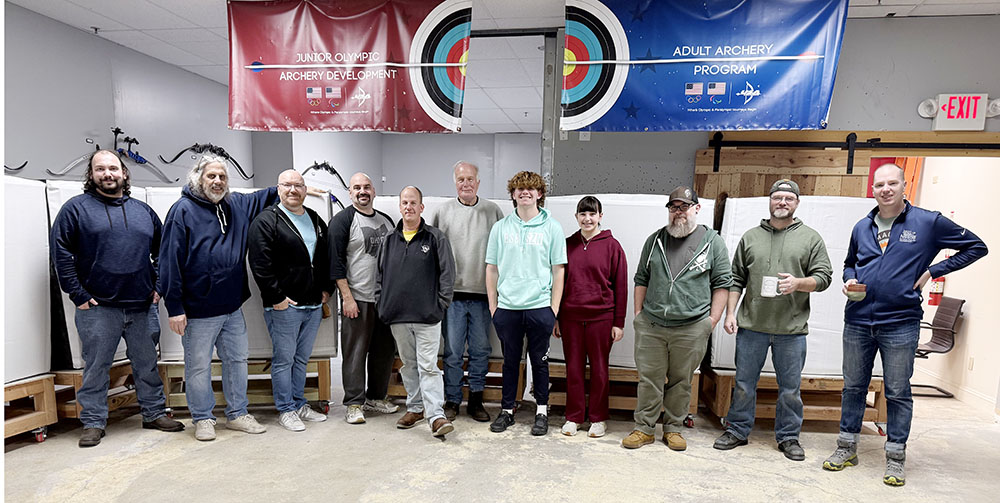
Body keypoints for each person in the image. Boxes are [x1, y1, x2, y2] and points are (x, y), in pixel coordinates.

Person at [824, 164, 987, 486]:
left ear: (903, 185)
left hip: (901, 322)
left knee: (897, 391)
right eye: (879, 185)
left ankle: (895, 457)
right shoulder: (862, 226)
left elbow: (976, 247)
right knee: (853, 387)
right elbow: (849, 264)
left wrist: (932, 272)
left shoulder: (928, 222)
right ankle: (846, 447)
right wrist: (849, 280)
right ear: (873, 189)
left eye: (892, 183)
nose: (885, 189)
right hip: (858, 319)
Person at [51, 149, 185, 448]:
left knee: (147, 363)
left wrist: (159, 286)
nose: (107, 174)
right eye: (100, 169)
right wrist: (78, 294)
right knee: (96, 366)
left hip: (142, 305)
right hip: (98, 307)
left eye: (113, 168)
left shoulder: (143, 211)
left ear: (124, 173)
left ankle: (153, 413)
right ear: (91, 175)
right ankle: (93, 422)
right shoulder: (75, 210)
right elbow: (61, 254)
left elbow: (163, 253)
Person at [160, 155, 278, 441]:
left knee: (237, 361)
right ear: (198, 179)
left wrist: (292, 186)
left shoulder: (235, 204)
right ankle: (203, 418)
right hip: (198, 310)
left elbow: (266, 195)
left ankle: (237, 414)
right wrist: (174, 307)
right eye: (211, 176)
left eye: (222, 177)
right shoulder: (182, 211)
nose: (217, 181)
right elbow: (169, 261)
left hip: (232, 307)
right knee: (198, 366)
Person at [712, 180, 832, 460]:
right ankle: (737, 430)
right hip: (751, 326)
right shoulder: (751, 237)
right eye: (777, 197)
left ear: (797, 203)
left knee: (790, 389)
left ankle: (789, 437)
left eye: (788, 198)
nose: (782, 202)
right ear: (770, 201)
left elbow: (824, 277)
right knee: (744, 384)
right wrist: (730, 313)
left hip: (791, 329)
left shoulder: (810, 238)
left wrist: (798, 283)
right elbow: (735, 279)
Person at [623, 186, 732, 451]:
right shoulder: (655, 240)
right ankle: (644, 428)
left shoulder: (712, 242)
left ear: (696, 208)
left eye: (684, 206)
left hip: (692, 326)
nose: (678, 212)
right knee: (649, 380)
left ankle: (673, 428)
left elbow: (722, 283)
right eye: (674, 207)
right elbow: (641, 278)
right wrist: (638, 315)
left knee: (682, 381)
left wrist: (712, 321)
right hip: (652, 325)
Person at [248, 169, 332, 431]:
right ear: (278, 189)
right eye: (287, 185)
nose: (293, 190)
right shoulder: (266, 221)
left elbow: (326, 257)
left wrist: (326, 289)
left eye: (298, 185)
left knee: (300, 359)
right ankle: (286, 409)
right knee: (284, 360)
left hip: (313, 305)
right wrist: (277, 298)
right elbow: (260, 264)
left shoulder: (315, 219)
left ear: (305, 190)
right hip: (284, 307)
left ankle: (299, 404)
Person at [486, 171, 567, 436]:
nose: (525, 192)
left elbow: (558, 270)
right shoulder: (500, 228)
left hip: (540, 308)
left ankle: (541, 411)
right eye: (519, 188)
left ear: (539, 194)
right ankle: (507, 411)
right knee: (510, 362)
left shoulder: (552, 228)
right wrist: (494, 307)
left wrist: (553, 310)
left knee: (540, 362)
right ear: (513, 194)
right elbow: (491, 269)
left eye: (530, 188)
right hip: (507, 308)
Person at [377, 186, 456, 437]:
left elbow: (447, 275)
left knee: (428, 366)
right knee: (409, 365)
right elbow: (379, 276)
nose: (409, 207)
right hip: (398, 317)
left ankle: (436, 416)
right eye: (405, 203)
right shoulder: (389, 240)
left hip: (427, 317)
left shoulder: (435, 238)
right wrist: (383, 305)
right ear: (399, 207)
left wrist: (440, 305)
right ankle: (415, 408)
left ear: (421, 207)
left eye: (413, 203)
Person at [429, 161, 505, 422]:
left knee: (481, 349)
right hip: (452, 296)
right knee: (452, 351)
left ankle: (475, 399)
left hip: (484, 295)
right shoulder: (442, 212)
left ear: (478, 182)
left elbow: (503, 252)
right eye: (461, 179)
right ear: (455, 183)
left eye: (470, 179)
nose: (466, 184)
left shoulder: (493, 212)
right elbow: (433, 253)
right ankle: (452, 400)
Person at [328, 172, 399, 424]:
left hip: (384, 300)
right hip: (357, 299)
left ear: (374, 191)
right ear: (350, 193)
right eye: (356, 187)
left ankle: (375, 397)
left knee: (384, 351)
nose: (362, 191)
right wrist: (347, 298)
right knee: (355, 353)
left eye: (366, 187)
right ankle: (354, 403)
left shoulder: (386, 220)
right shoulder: (342, 221)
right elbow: (335, 264)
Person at [555, 196, 627, 438]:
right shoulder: (567, 245)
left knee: (599, 370)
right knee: (573, 368)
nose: (587, 219)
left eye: (592, 214)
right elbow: (557, 283)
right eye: (583, 214)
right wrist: (556, 317)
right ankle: (574, 417)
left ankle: (598, 418)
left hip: (602, 318)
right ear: (576, 217)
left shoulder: (612, 246)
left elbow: (621, 286)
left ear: (600, 216)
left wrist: (618, 322)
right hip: (570, 318)